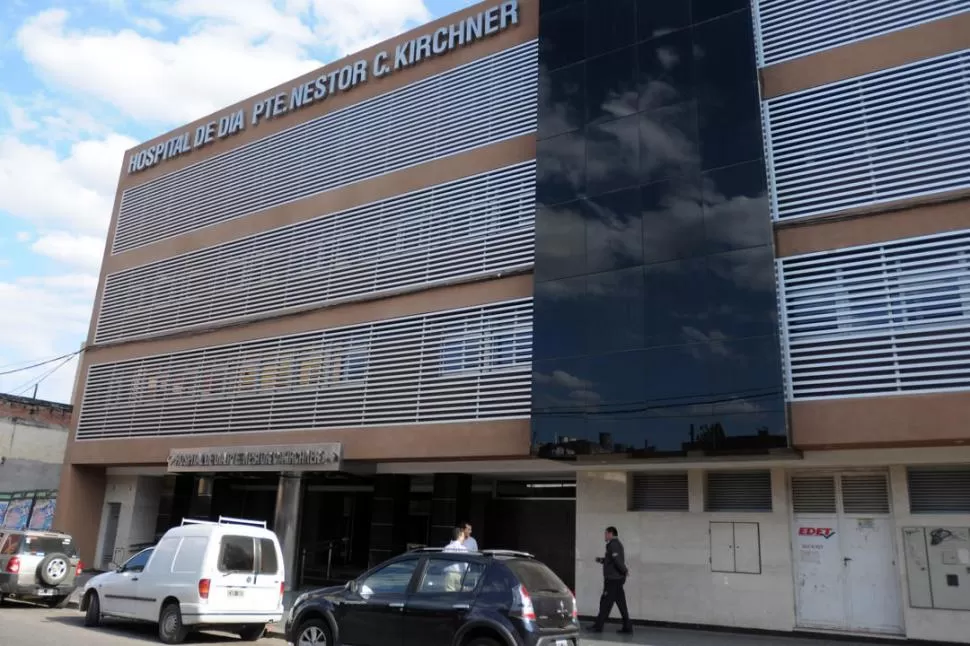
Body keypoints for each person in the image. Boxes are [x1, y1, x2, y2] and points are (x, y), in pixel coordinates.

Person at [590, 526, 632, 634]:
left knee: (605, 603)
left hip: (613, 580)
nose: (604, 536)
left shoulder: (613, 545)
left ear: (610, 534)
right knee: (621, 604)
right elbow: (611, 560)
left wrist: (625, 570)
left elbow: (617, 560)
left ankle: (598, 627)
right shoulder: (615, 545)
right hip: (616, 579)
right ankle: (628, 627)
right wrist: (601, 560)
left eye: (606, 533)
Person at [442, 527, 468, 591]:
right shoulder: (463, 549)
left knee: (449, 594)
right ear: (459, 536)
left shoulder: (446, 548)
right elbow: (466, 564)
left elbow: (442, 562)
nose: (464, 539)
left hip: (449, 574)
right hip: (460, 575)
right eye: (463, 536)